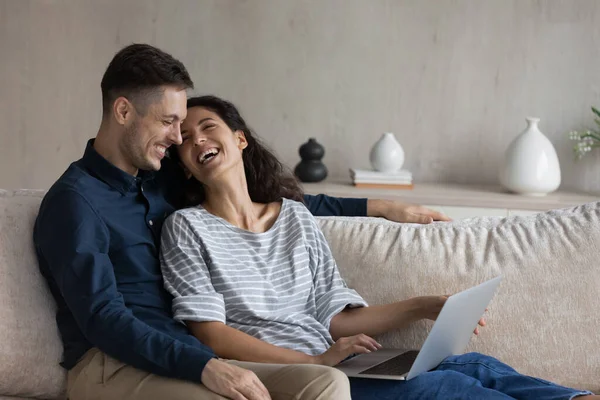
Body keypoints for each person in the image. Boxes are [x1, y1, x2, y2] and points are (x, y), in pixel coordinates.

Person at [33, 43, 450, 400]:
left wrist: (377, 207)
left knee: (325, 384)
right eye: (168, 122)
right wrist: (204, 366)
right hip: (110, 364)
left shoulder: (156, 183)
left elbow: (270, 201)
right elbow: (104, 319)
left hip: (180, 353)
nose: (180, 138)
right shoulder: (74, 203)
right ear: (123, 111)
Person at [160, 94, 597, 400]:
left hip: (331, 361)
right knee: (445, 390)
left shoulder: (294, 216)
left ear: (239, 139)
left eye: (208, 127)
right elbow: (211, 334)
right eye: (185, 139)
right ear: (182, 163)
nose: (197, 139)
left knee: (476, 367)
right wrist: (314, 359)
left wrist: (426, 306)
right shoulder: (186, 228)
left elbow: (334, 318)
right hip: (289, 374)